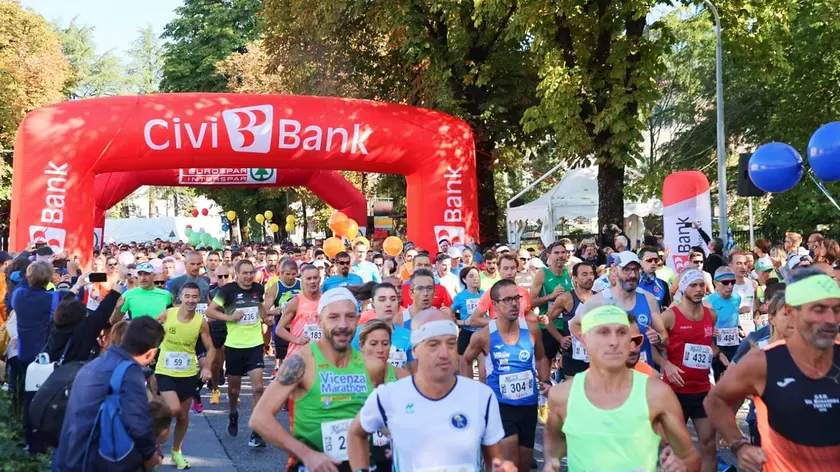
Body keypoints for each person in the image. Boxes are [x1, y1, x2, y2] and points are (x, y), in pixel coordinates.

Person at [704, 268, 840, 472]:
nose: (830, 319)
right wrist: (739, 445)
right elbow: (715, 400)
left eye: (836, 309)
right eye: (818, 309)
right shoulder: (763, 362)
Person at [348, 309, 517, 472]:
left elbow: (495, 461)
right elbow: (355, 434)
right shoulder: (389, 396)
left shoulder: (482, 396)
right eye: (433, 345)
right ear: (414, 350)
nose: (444, 353)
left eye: (451, 344)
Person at [542, 305, 701, 472]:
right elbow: (555, 439)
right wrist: (551, 460)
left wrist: (679, 467)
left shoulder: (656, 394)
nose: (614, 342)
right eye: (603, 332)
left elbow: (690, 457)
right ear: (583, 340)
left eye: (622, 333)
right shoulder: (563, 395)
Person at [248, 288, 387, 472]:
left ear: (358, 318)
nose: (343, 325)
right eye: (333, 317)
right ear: (318, 320)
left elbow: (383, 417)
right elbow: (260, 418)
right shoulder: (301, 363)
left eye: (350, 316)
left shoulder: (373, 366)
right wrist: (306, 454)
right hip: (314, 465)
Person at [52, 317, 166, 472]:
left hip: (70, 455)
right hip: (98, 460)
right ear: (151, 353)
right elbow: (139, 425)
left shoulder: (95, 364)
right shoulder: (129, 372)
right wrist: (151, 456)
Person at [460, 279, 551, 472]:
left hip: (528, 406)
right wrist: (470, 391)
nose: (514, 303)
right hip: (500, 407)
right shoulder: (483, 336)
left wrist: (545, 382)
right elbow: (465, 360)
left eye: (516, 298)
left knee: (524, 465)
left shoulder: (532, 330)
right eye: (507, 300)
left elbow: (542, 358)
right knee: (510, 464)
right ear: (495, 305)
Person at [657, 268, 721, 472]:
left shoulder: (711, 315)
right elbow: (650, 344)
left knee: (709, 445)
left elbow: (708, 345)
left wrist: (719, 354)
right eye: (693, 285)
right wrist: (666, 364)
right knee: (676, 450)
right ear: (683, 288)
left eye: (702, 285)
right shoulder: (668, 317)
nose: (699, 289)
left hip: (702, 389)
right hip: (675, 392)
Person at [205, 259, 273, 447]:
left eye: (251, 272)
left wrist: (265, 318)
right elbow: (210, 312)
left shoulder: (258, 289)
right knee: (234, 391)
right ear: (237, 274)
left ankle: (256, 431)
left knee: (258, 388)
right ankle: (233, 413)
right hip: (234, 346)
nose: (249, 276)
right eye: (244, 273)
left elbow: (259, 307)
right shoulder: (227, 291)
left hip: (255, 345)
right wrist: (229, 317)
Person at [570, 251, 668, 370]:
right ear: (615, 271)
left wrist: (657, 338)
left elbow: (664, 338)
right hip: (611, 374)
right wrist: (593, 347)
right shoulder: (599, 300)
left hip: (643, 371)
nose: (632, 275)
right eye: (626, 270)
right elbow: (574, 325)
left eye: (636, 270)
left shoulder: (648, 298)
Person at [154, 283, 215, 469]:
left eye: (194, 296)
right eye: (186, 296)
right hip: (164, 370)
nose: (190, 300)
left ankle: (176, 451)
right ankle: (153, 449)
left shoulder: (200, 322)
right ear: (180, 297)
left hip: (188, 373)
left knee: (182, 415)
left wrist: (207, 368)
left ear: (199, 299)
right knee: (172, 409)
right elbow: (150, 332)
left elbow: (211, 348)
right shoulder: (168, 314)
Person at [545, 262, 596, 379]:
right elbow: (547, 319)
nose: (589, 277)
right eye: (584, 274)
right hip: (573, 355)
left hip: (594, 354)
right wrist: (560, 338)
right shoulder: (566, 298)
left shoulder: (599, 297)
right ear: (575, 278)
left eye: (591, 274)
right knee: (574, 393)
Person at [530, 243, 574, 365]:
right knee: (545, 363)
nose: (560, 256)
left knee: (568, 363)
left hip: (566, 326)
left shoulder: (568, 274)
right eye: (556, 253)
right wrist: (551, 296)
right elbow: (531, 302)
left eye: (563, 252)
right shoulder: (542, 274)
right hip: (547, 326)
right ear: (548, 255)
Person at [351, 283, 413, 370]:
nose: (388, 304)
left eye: (393, 299)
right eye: (382, 299)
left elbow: (413, 373)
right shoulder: (358, 334)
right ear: (373, 304)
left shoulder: (407, 335)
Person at [467, 255, 533, 327]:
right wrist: (500, 323)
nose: (509, 272)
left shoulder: (524, 292)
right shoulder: (491, 292)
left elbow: (526, 313)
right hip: (499, 336)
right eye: (505, 268)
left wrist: (538, 318)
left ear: (517, 269)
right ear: (499, 269)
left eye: (512, 268)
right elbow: (474, 321)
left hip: (521, 335)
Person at [703, 267, 743, 382]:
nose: (730, 286)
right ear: (716, 283)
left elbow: (734, 315)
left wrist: (739, 327)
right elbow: (702, 325)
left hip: (734, 341)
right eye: (725, 282)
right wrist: (710, 330)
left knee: (735, 375)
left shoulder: (737, 298)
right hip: (717, 342)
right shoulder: (708, 301)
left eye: (733, 282)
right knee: (720, 376)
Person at [275, 265, 323, 360]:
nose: (312, 281)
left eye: (315, 278)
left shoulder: (326, 300)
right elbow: (279, 329)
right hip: (298, 355)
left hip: (320, 355)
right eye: (308, 279)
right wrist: (296, 340)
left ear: (320, 279)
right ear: (302, 280)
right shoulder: (296, 301)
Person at [264, 258, 302, 375]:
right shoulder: (276, 286)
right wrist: (272, 312)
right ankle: (282, 379)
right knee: (283, 358)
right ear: (281, 272)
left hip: (299, 327)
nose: (290, 277)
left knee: (300, 357)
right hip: (283, 327)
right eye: (287, 274)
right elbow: (264, 309)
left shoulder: (302, 284)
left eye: (293, 274)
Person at [208, 264, 231, 405]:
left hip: (234, 330)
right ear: (215, 278)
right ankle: (215, 389)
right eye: (220, 277)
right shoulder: (211, 293)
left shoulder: (237, 290)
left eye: (225, 276)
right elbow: (209, 313)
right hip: (217, 330)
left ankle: (232, 390)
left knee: (232, 362)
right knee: (216, 363)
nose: (223, 279)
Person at [452, 266, 484, 355]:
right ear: (464, 280)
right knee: (464, 363)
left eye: (477, 276)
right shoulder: (459, 297)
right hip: (467, 333)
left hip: (482, 332)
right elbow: (448, 315)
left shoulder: (484, 294)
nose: (475, 279)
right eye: (471, 276)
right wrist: (463, 322)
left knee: (484, 365)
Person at [731, 251, 760, 335]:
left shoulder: (753, 284)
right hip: (732, 332)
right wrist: (739, 311)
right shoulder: (726, 286)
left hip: (750, 330)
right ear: (730, 266)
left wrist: (757, 313)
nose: (743, 267)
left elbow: (755, 302)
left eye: (745, 263)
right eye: (739, 263)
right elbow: (719, 311)